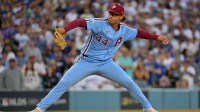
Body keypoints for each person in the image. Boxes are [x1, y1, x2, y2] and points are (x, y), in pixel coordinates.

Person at [31, 3, 169, 112]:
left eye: (114, 14)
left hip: (106, 64)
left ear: (121, 17)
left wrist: (156, 37)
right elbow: (80, 21)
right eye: (110, 13)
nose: (111, 16)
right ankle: (39, 109)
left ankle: (147, 108)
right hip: (86, 62)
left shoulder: (125, 30)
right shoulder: (100, 24)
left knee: (129, 82)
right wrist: (66, 29)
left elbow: (139, 33)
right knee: (63, 84)